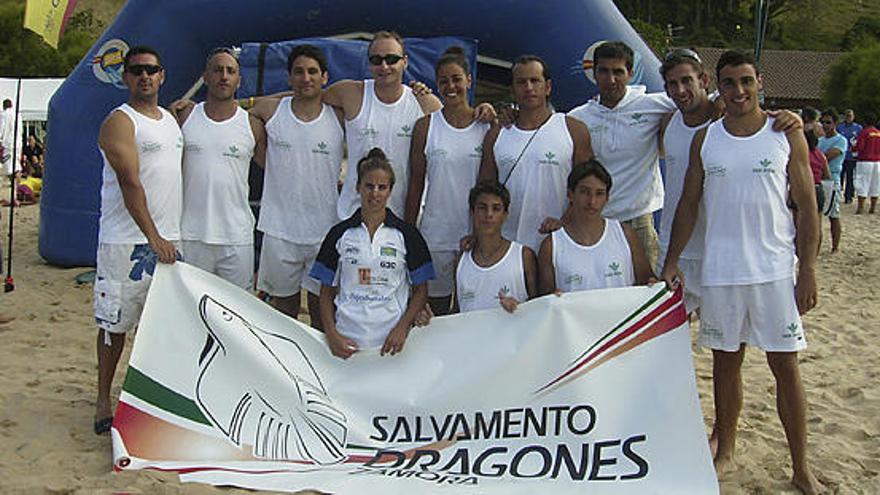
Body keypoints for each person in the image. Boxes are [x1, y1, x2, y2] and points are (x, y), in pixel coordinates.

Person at [661, 50, 822, 494]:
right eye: (729, 83)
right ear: (719, 86)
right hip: (720, 271)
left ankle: (800, 466)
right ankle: (727, 450)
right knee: (725, 366)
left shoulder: (784, 133)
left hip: (773, 270)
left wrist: (807, 269)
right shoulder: (706, 139)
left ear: (760, 82)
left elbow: (808, 209)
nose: (738, 92)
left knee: (785, 367)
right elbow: (688, 205)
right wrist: (672, 261)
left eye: (746, 82)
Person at [93, 46, 183, 435]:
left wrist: (168, 239)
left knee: (158, 329)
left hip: (170, 241)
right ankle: (102, 399)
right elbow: (131, 183)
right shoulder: (119, 122)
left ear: (162, 76)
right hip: (126, 243)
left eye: (152, 70)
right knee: (115, 326)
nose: (145, 76)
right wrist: (153, 237)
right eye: (137, 70)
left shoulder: (170, 120)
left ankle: (148, 401)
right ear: (126, 77)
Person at [249, 44, 345, 326]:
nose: (306, 78)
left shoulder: (339, 116)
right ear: (289, 78)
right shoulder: (270, 111)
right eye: (299, 72)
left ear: (325, 77)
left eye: (313, 72)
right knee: (283, 313)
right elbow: (240, 112)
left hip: (324, 231)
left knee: (322, 314)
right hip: (279, 230)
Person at [310, 148, 434, 359]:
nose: (374, 193)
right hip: (346, 341)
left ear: (390, 190)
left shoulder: (408, 235)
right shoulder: (339, 234)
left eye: (381, 187)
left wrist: (402, 328)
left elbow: (421, 291)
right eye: (369, 186)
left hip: (392, 343)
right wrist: (331, 334)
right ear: (358, 187)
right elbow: (325, 292)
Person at [568, 41, 677, 267]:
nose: (611, 79)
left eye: (618, 72)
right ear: (594, 73)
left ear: (630, 73)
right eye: (604, 71)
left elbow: (703, 102)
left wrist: (768, 118)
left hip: (639, 221)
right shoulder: (577, 118)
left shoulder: (654, 104)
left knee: (647, 292)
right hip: (593, 221)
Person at [404, 46, 490, 315]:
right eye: (444, 81)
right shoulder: (425, 127)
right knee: (436, 312)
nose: (451, 86)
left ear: (469, 80)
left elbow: (489, 186)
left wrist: (481, 232)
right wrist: (408, 233)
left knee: (471, 311)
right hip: (436, 236)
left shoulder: (487, 126)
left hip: (476, 237)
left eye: (456, 79)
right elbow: (415, 184)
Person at [479, 54, 593, 254]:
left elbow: (587, 187)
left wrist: (564, 222)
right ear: (513, 89)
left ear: (547, 87)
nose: (529, 87)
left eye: (535, 81)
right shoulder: (496, 134)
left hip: (560, 242)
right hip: (509, 246)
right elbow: (484, 191)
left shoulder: (573, 129)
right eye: (521, 82)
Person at [324, 31, 443, 219]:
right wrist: (259, 103)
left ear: (405, 61)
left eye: (391, 59)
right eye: (377, 60)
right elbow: (305, 97)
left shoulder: (426, 103)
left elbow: (461, 124)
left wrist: (485, 110)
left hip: (403, 218)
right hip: (351, 215)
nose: (384, 66)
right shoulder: (350, 93)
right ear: (369, 64)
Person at [175, 47, 266, 290]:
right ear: (205, 77)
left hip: (236, 236)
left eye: (230, 71)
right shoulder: (184, 116)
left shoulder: (252, 124)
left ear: (239, 80)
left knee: (236, 314)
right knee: (192, 311)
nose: (223, 76)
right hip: (191, 234)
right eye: (217, 70)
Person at [656, 48, 717, 314]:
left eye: (686, 80)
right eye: (672, 84)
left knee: (724, 342)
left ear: (703, 80)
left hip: (714, 247)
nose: (680, 90)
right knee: (669, 338)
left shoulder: (725, 120)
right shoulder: (667, 122)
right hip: (673, 246)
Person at [538, 160, 653, 295]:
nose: (592, 201)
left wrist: (655, 283)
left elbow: (648, 285)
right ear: (570, 194)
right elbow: (544, 302)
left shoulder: (626, 235)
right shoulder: (551, 246)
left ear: (607, 198)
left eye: (599, 193)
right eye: (584, 192)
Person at [455, 181, 537, 313]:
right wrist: (429, 321)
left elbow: (539, 308)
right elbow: (457, 312)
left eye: (496, 208)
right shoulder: (460, 260)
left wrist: (520, 308)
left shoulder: (523, 256)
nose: (489, 214)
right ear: (472, 212)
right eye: (482, 207)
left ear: (505, 214)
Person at [818, 109, 846, 252]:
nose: (825, 125)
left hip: (832, 180)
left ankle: (835, 247)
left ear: (835, 123)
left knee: (833, 214)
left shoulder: (841, 140)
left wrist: (816, 157)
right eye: (823, 122)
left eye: (828, 122)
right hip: (817, 179)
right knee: (817, 215)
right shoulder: (820, 140)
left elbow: (827, 157)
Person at [854, 112, 880, 215]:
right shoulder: (878, 133)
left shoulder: (864, 132)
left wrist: (853, 148)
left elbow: (860, 147)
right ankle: (872, 207)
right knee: (875, 185)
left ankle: (860, 208)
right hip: (877, 162)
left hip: (865, 161)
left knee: (862, 184)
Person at [837, 108, 862, 203]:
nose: (849, 118)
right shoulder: (840, 127)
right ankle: (838, 195)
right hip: (842, 155)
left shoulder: (858, 128)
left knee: (850, 177)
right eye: (847, 116)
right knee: (840, 176)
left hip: (852, 156)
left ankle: (849, 196)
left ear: (853, 117)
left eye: (850, 116)